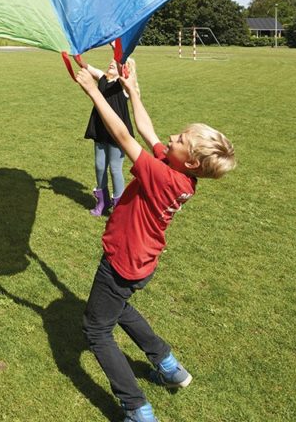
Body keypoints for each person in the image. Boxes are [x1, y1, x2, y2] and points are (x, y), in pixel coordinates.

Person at [75, 64, 235, 422]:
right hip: (143, 262)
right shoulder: (181, 176)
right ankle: (168, 365)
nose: (172, 138)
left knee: (97, 329)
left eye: (179, 139)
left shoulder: (161, 175)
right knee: (120, 309)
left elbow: (124, 135)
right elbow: (146, 130)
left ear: (190, 160)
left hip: (123, 260)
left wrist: (94, 91)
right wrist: (135, 92)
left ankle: (136, 407)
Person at [82, 55, 139, 216]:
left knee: (115, 168)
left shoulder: (124, 85)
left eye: (117, 63)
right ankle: (102, 201)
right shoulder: (102, 78)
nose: (112, 64)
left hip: (118, 133)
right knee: (100, 166)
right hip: (100, 130)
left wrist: (119, 50)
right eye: (111, 62)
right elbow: (85, 66)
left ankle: (119, 207)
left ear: (125, 68)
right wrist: (74, 53)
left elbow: (125, 75)